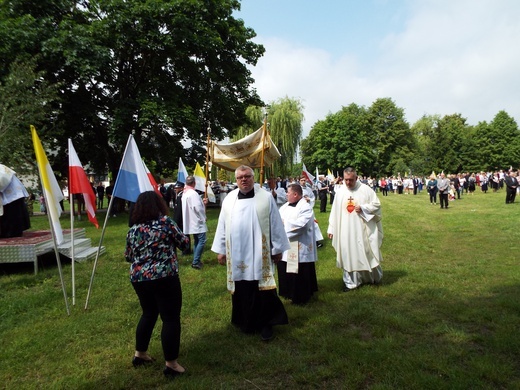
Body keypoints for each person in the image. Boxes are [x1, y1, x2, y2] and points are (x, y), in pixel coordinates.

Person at [211, 165, 290, 341]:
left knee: (262, 287)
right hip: (237, 252)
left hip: (259, 252)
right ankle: (245, 321)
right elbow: (222, 225)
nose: (244, 180)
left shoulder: (265, 197)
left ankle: (266, 323)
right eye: (240, 177)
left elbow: (275, 224)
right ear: (236, 179)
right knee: (242, 287)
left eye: (247, 176)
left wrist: (277, 249)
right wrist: (221, 250)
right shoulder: (229, 199)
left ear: (253, 178)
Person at [124, 191, 189, 379]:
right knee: (170, 318)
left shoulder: (133, 229)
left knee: (148, 313)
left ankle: (140, 354)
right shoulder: (166, 223)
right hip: (164, 276)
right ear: (159, 205)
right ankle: (171, 364)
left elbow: (128, 256)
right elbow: (184, 244)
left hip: (139, 278)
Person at [327, 167, 383, 292]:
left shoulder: (366, 190)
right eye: (346, 180)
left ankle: (373, 278)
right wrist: (331, 228)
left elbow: (376, 205)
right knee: (348, 254)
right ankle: (351, 283)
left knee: (368, 252)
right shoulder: (341, 192)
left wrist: (363, 208)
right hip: (345, 230)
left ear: (356, 178)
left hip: (363, 229)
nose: (348, 183)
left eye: (351, 180)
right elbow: (334, 211)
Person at [277, 183, 318, 304]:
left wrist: (285, 224)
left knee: (299, 271)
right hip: (285, 244)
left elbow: (302, 225)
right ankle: (287, 292)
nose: (286, 195)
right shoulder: (284, 206)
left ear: (295, 194)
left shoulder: (305, 207)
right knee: (285, 267)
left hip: (300, 244)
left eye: (288, 193)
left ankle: (300, 296)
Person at [181, 176, 208, 269]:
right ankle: (195, 261)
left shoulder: (185, 193)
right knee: (202, 240)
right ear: (194, 183)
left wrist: (202, 202)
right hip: (197, 221)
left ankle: (196, 260)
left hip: (192, 220)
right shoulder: (193, 193)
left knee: (197, 240)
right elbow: (197, 208)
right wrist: (203, 217)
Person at [172, 182, 190, 255]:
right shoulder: (178, 195)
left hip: (181, 219)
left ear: (181, 188)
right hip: (180, 218)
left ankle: (186, 250)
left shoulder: (181, 196)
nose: (175, 189)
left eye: (177, 188)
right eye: (175, 188)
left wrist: (176, 220)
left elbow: (179, 210)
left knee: (184, 234)